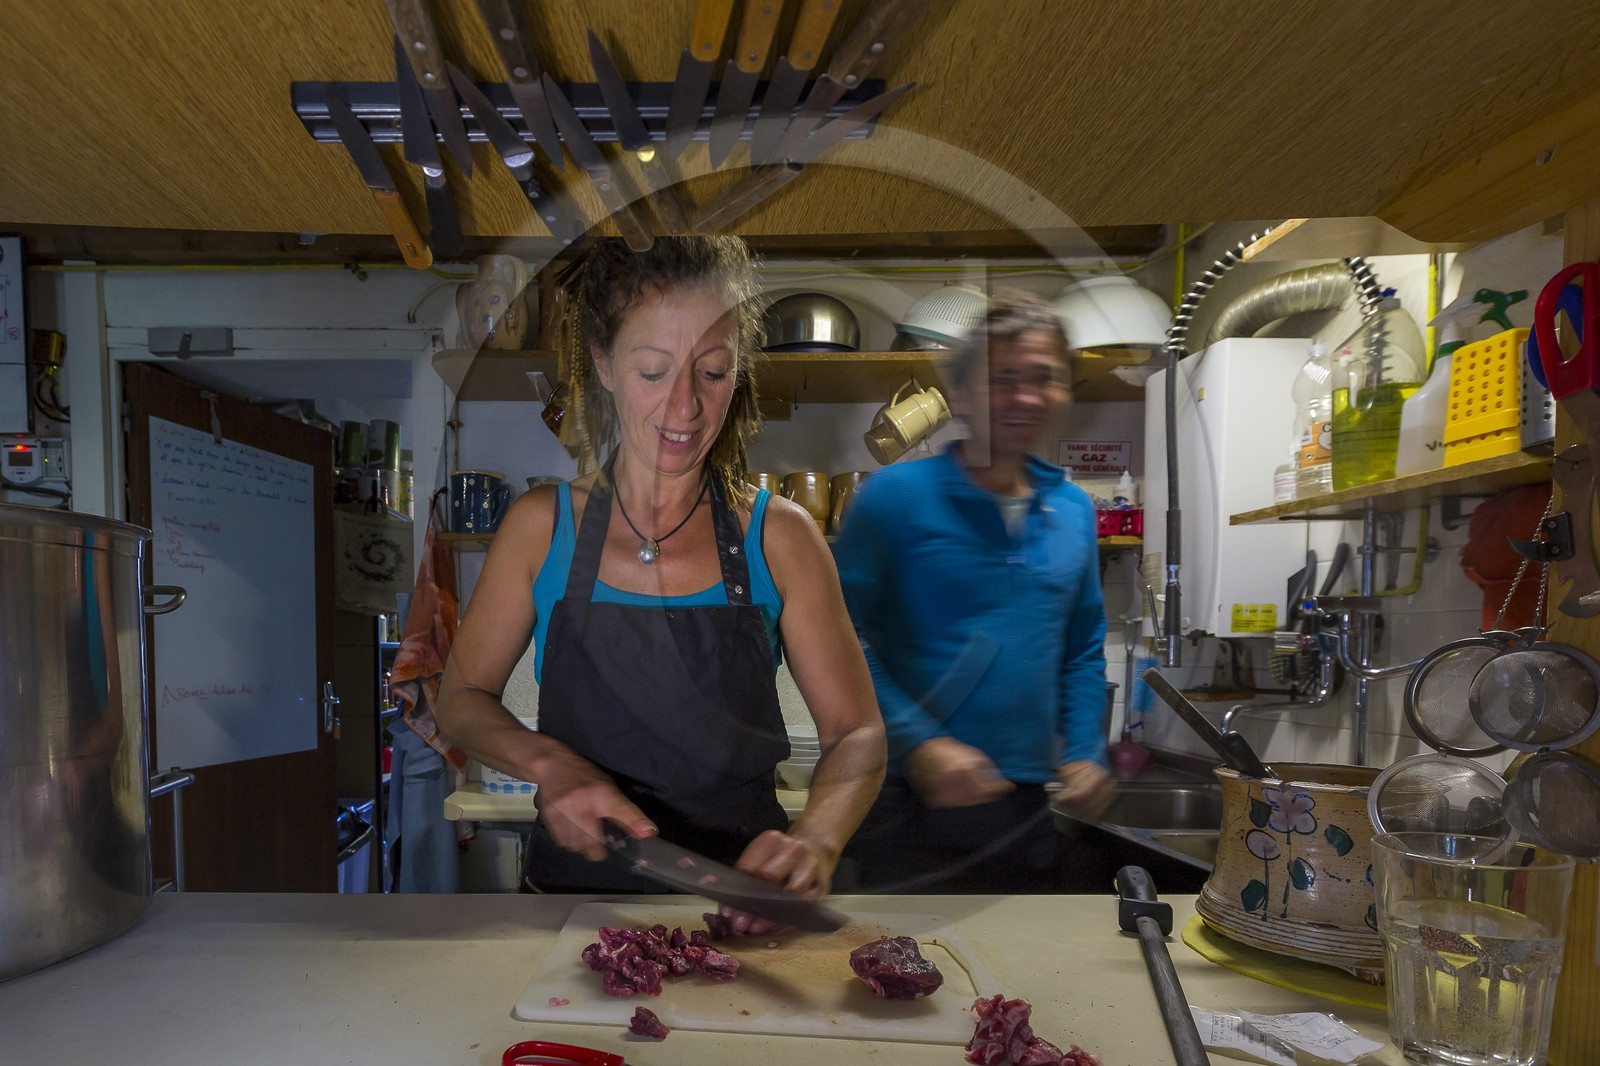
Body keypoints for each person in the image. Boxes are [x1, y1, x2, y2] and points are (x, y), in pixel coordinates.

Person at [435, 237, 885, 922]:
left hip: (736, 910)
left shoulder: (780, 537)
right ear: (604, 365)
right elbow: (459, 697)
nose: (684, 408)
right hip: (574, 906)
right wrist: (550, 765)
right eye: (653, 370)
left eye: (711, 371)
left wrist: (819, 837)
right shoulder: (540, 526)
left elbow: (857, 732)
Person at [835, 292, 1114, 893]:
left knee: (1024, 982)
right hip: (906, 804)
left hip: (1025, 812)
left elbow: (1084, 649)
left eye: (1043, 378)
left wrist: (1088, 749)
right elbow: (842, 644)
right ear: (960, 395)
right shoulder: (893, 498)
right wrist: (921, 743)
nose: (1025, 397)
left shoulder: (1072, 510)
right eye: (1002, 378)